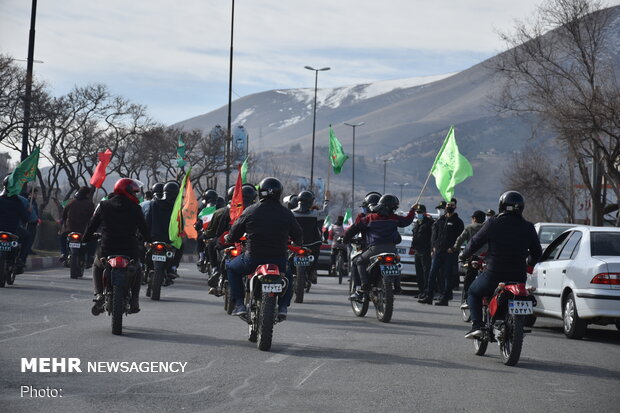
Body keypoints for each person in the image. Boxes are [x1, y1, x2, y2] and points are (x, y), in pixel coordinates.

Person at [461, 191, 542, 339]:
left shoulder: (493, 223)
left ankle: (477, 325)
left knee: (473, 292)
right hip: (518, 276)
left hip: (494, 274)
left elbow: (475, 242)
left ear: (501, 206)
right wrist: (528, 265)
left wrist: (463, 254)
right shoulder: (528, 227)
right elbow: (537, 252)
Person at [225, 177, 302, 320]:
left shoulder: (250, 210)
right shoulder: (286, 213)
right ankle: (283, 307)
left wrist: (228, 239)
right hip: (278, 260)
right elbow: (298, 235)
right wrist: (297, 243)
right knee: (288, 274)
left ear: (261, 192)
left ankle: (240, 304)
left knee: (231, 268)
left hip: (252, 259)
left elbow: (235, 232)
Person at [83, 178, 151, 314]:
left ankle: (99, 294)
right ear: (128, 191)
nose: (136, 194)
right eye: (134, 192)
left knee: (97, 265)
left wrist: (86, 238)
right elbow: (144, 229)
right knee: (137, 268)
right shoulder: (135, 208)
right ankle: (135, 300)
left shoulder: (104, 205)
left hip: (107, 248)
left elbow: (92, 225)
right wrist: (148, 240)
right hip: (129, 249)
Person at [344, 194, 415, 294]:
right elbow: (407, 221)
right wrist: (412, 210)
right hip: (392, 249)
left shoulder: (370, 218)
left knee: (359, 261)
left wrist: (345, 239)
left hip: (374, 249)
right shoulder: (395, 218)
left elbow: (354, 228)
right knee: (396, 263)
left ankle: (364, 285)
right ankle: (397, 286)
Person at [419, 198, 464, 306]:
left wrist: (453, 248)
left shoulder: (458, 222)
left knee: (447, 276)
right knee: (432, 273)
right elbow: (434, 236)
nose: (449, 207)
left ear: (455, 207)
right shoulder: (440, 220)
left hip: (450, 253)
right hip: (438, 251)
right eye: (448, 205)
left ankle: (445, 298)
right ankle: (429, 296)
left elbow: (461, 238)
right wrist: (433, 248)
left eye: (452, 205)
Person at [347, 192, 381, 299]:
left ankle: (359, 289)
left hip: (369, 248)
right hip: (386, 248)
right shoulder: (386, 217)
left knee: (356, 262)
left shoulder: (364, 218)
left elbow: (354, 229)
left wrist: (346, 238)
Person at [144, 181, 180, 283]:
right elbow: (179, 224)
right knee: (181, 246)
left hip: (153, 237)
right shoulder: (176, 207)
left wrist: (145, 236)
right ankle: (173, 268)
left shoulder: (153, 203)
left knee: (143, 249)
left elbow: (147, 220)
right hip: (169, 239)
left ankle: (144, 267)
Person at [452, 210, 487, 309]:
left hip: (474, 257)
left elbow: (460, 239)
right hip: (486, 258)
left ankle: (467, 299)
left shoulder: (469, 228)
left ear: (474, 219)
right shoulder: (488, 228)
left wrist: (456, 249)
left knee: (469, 278)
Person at [292, 190, 328, 284]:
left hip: (296, 244)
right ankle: (312, 272)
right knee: (315, 255)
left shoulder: (291, 213)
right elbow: (325, 213)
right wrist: (326, 201)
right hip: (312, 244)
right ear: (310, 202)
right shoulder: (315, 214)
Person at [0, 176, 31, 273]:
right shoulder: (18, 202)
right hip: (13, 230)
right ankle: (20, 259)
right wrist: (28, 212)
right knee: (27, 237)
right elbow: (25, 219)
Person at [60, 186, 96, 266]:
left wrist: (64, 225)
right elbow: (93, 218)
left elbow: (63, 215)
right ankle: (90, 257)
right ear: (87, 194)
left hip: (69, 229)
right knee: (93, 239)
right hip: (84, 230)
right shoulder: (90, 204)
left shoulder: (70, 202)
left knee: (62, 236)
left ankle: (63, 253)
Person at [410, 204, 433, 299]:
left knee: (426, 272)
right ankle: (421, 291)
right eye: (417, 212)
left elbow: (432, 237)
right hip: (417, 250)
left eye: (420, 212)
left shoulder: (429, 223)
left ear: (424, 213)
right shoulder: (417, 223)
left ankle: (426, 292)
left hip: (425, 250)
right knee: (419, 272)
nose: (418, 214)